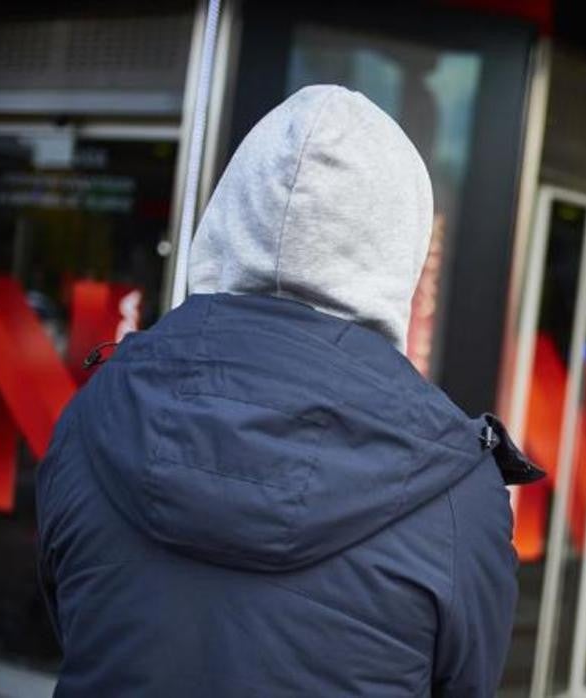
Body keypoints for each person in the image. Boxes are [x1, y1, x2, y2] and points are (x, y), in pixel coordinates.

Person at [36, 85, 542, 696]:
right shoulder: (460, 491)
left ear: (226, 218)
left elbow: (73, 619)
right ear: (398, 248)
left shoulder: (94, 416)